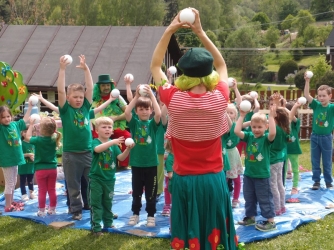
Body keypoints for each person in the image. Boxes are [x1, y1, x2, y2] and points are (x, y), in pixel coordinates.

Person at [150, 8, 238, 249]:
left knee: (188, 229)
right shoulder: (220, 97)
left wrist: (170, 29)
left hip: (184, 179)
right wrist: (200, 32)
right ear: (208, 73)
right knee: (212, 230)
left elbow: (156, 65)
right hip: (213, 179)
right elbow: (221, 63)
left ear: (183, 73)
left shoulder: (173, 98)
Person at [57, 54, 93, 220]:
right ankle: (76, 209)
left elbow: (90, 89)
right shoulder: (66, 110)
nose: (79, 99)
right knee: (73, 185)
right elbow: (59, 91)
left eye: (80, 97)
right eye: (75, 97)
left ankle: (92, 205)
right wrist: (62, 69)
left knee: (92, 181)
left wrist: (86, 70)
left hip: (87, 153)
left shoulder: (85, 108)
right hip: (71, 155)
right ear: (68, 97)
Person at [234, 105, 277, 232]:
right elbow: (237, 131)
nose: (256, 130)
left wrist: (272, 118)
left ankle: (271, 221)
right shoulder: (249, 136)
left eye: (260, 127)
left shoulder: (266, 139)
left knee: (264, 198)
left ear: (266, 127)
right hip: (249, 174)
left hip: (262, 175)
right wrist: (241, 116)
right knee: (249, 197)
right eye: (254, 127)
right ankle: (250, 217)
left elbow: (273, 133)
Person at [90, 117, 134, 236]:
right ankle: (96, 227)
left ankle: (108, 223)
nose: (107, 129)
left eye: (109, 127)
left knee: (108, 202)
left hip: (109, 180)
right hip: (96, 179)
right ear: (97, 131)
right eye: (104, 127)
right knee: (96, 203)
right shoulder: (95, 141)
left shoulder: (114, 145)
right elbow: (97, 150)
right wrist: (112, 142)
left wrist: (128, 150)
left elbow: (121, 158)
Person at [124, 84, 161, 227]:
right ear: (137, 111)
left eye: (147, 109)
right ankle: (136, 213)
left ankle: (151, 215)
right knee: (137, 191)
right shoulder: (134, 123)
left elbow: (158, 114)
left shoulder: (152, 124)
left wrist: (152, 96)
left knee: (151, 192)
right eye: (141, 109)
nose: (144, 111)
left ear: (150, 110)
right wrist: (136, 97)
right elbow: (127, 112)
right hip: (137, 163)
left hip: (151, 164)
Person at [92, 74, 132, 169]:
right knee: (96, 142)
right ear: (99, 87)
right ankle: (100, 165)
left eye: (108, 85)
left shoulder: (117, 97)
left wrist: (115, 118)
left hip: (117, 127)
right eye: (103, 85)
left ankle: (123, 166)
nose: (106, 87)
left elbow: (128, 113)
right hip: (99, 129)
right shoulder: (93, 99)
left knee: (127, 137)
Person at [26, 116, 62, 216]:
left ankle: (41, 211)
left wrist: (31, 125)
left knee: (42, 190)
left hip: (40, 169)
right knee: (52, 189)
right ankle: (52, 209)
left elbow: (27, 137)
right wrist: (51, 121)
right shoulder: (54, 137)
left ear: (40, 129)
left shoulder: (38, 140)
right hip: (52, 169)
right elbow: (54, 130)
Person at [304, 74, 334, 190]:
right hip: (315, 137)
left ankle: (328, 182)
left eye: (324, 96)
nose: (321, 98)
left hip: (327, 138)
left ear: (330, 96)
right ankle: (316, 181)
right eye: (319, 96)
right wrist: (307, 81)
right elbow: (306, 95)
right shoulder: (316, 105)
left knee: (327, 161)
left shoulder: (331, 108)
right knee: (315, 161)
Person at [0, 103, 32, 212]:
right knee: (9, 183)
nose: (6, 119)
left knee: (13, 182)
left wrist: (31, 106)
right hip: (7, 161)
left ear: (11, 116)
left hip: (15, 159)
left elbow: (25, 119)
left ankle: (11, 201)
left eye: (8, 116)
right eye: (3, 117)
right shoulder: (1, 128)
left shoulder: (15, 125)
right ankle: (8, 206)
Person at [269, 107, 290, 216]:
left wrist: (271, 117)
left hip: (272, 160)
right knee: (279, 184)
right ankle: (282, 206)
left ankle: (276, 208)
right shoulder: (284, 129)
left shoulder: (275, 129)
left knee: (273, 185)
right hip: (280, 159)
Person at [224, 104, 243, 208]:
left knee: (236, 178)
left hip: (232, 154)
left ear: (235, 115)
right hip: (223, 154)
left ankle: (235, 198)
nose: (228, 114)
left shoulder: (235, 125)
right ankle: (225, 198)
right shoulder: (221, 126)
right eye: (226, 112)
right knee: (224, 178)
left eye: (231, 113)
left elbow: (231, 125)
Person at [285, 101, 302, 200]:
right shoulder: (282, 123)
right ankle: (282, 185)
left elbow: (292, 116)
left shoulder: (296, 122)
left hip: (294, 150)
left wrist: (292, 107)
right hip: (283, 150)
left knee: (295, 170)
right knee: (283, 170)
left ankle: (295, 187)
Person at [19, 129, 35, 201]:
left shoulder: (34, 143)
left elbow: (36, 154)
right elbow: (19, 155)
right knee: (23, 180)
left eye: (30, 131)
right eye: (25, 131)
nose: (28, 133)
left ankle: (31, 192)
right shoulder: (21, 144)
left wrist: (34, 157)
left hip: (31, 166)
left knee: (31, 180)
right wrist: (28, 155)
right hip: (23, 166)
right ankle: (24, 194)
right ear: (22, 134)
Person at [162, 139, 173, 216]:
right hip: (169, 170)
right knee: (168, 187)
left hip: (179, 171)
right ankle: (167, 205)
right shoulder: (168, 136)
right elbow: (166, 157)